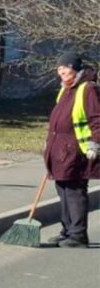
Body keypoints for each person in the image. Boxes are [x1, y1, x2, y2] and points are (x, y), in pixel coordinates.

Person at [44, 51, 99, 248]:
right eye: (59, 69)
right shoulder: (66, 89)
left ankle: (78, 235)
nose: (61, 72)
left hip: (76, 149)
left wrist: (95, 143)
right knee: (63, 190)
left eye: (64, 68)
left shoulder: (87, 89)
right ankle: (66, 230)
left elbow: (96, 119)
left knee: (74, 190)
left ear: (74, 69)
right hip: (59, 149)